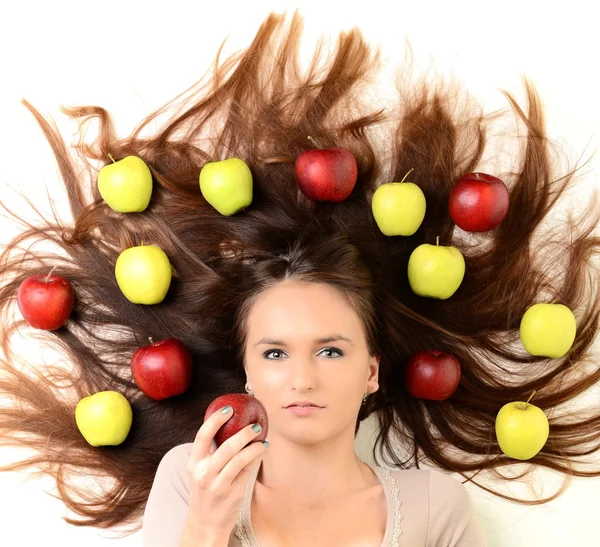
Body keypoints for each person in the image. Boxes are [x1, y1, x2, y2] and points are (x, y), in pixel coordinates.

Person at [0, 8, 599, 547]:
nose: (303, 377)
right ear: (249, 371)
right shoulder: (189, 480)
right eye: (276, 351)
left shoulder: (431, 505)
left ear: (371, 373)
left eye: (332, 350)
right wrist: (206, 525)